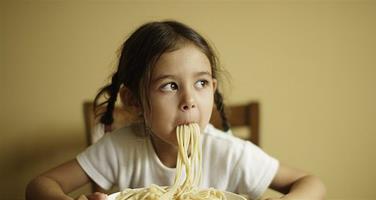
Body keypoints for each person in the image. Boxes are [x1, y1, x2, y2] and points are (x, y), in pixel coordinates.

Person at [26, 20, 326, 200]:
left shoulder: (229, 153)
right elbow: (39, 186)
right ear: (133, 101)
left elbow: (312, 184)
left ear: (213, 88)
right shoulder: (119, 148)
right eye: (169, 86)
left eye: (201, 83)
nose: (189, 100)